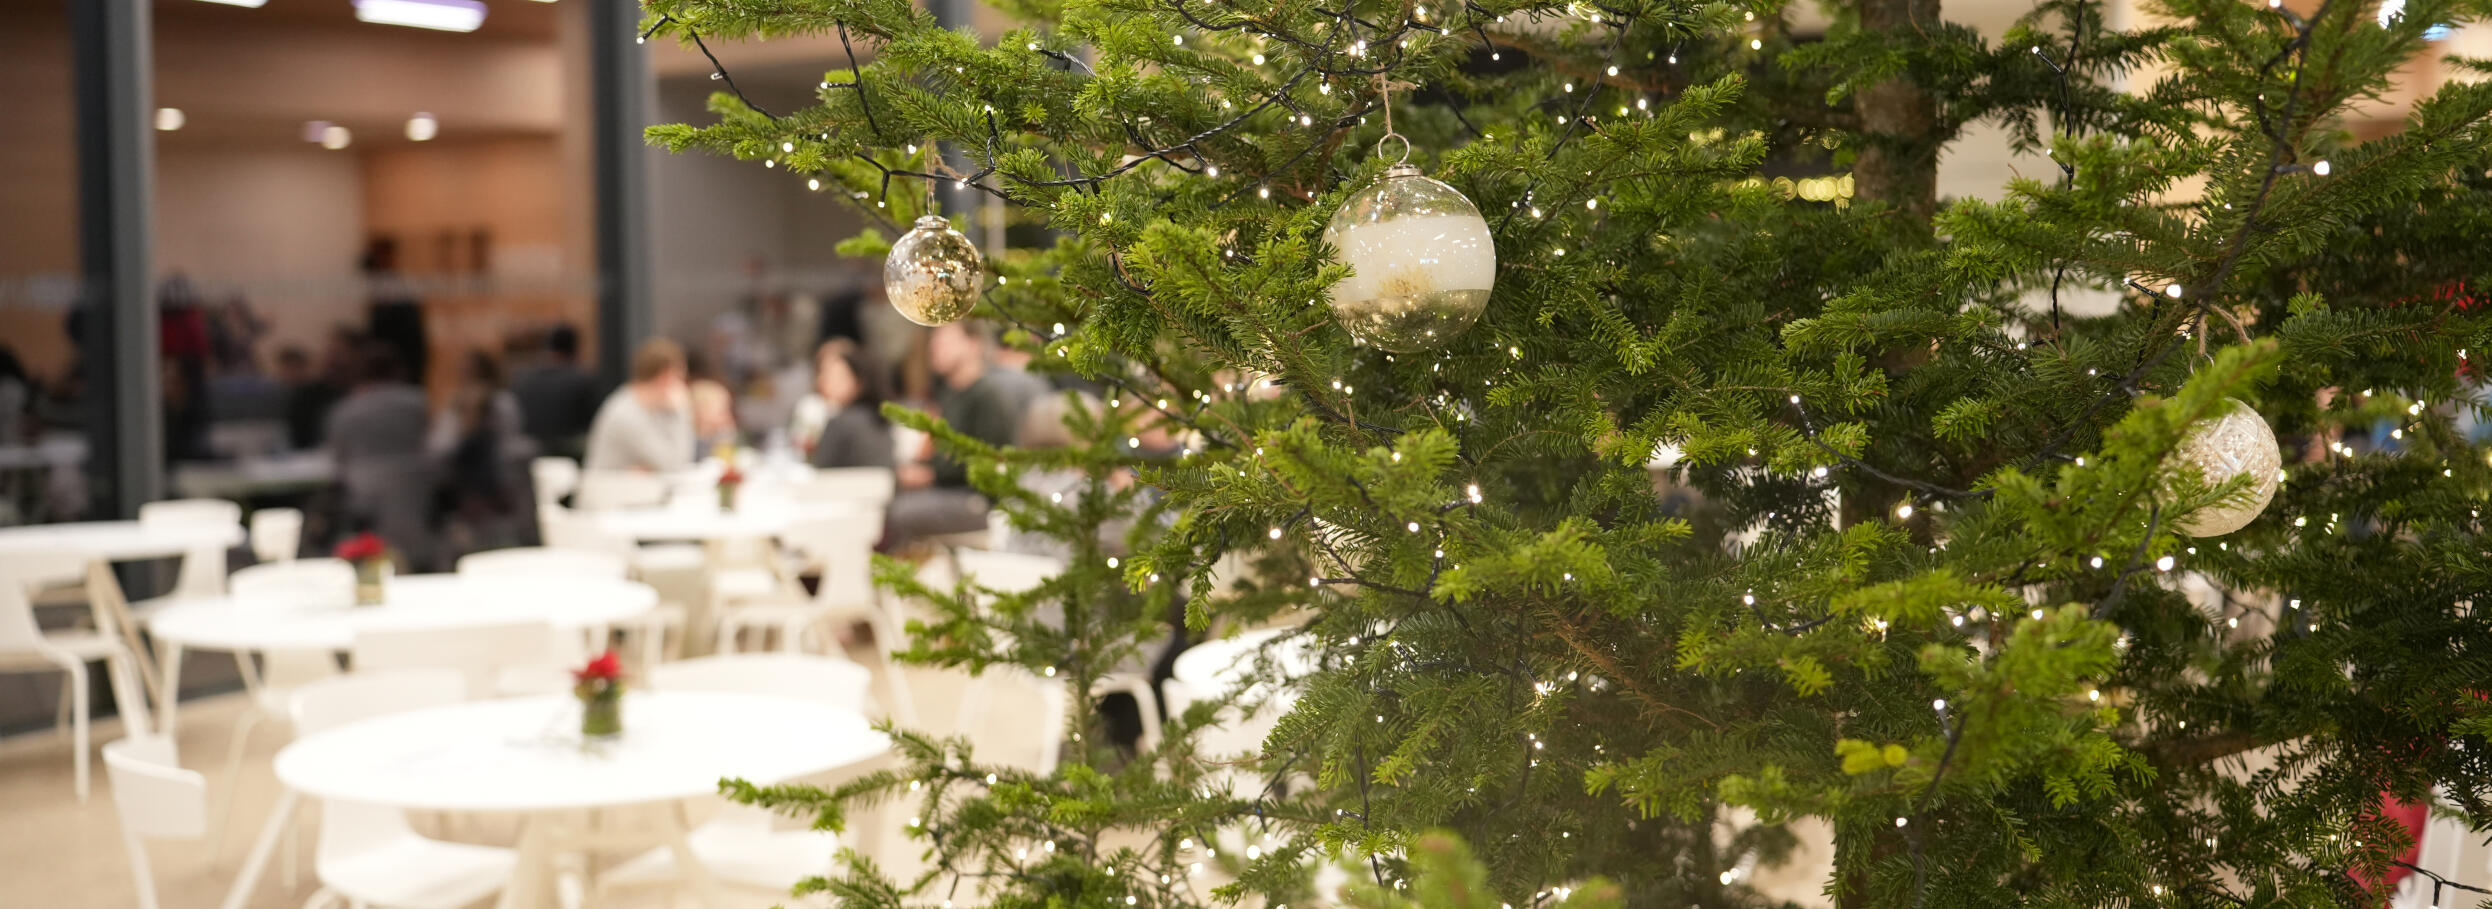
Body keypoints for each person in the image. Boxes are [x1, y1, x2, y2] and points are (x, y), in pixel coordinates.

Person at [886, 320, 1048, 543]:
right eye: (934, 341)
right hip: (949, 490)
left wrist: (931, 475)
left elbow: (992, 461)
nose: (935, 347)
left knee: (902, 513)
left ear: (974, 344)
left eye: (945, 341)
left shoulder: (989, 395)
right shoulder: (949, 393)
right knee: (890, 495)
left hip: (979, 499)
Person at [326, 343, 439, 570]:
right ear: (397, 370)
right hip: (415, 492)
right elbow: (429, 441)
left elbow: (338, 457)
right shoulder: (417, 402)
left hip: (366, 495)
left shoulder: (346, 410)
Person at [583, 338, 695, 473]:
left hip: (629, 485)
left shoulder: (652, 407)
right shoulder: (626, 414)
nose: (681, 385)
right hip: (607, 486)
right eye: (679, 377)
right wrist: (680, 411)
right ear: (665, 376)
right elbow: (675, 464)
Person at [510, 324, 604, 460]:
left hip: (531, 458)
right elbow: (594, 423)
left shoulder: (524, 379)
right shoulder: (582, 379)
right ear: (575, 349)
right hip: (570, 458)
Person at [808, 339, 894, 470]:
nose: (822, 380)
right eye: (822, 373)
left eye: (836, 376)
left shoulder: (841, 423)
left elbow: (819, 469)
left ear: (859, 382)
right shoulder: (879, 418)